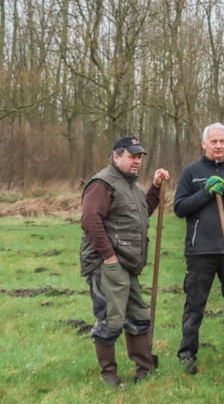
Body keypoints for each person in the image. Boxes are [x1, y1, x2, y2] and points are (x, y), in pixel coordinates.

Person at [80, 136, 169, 387]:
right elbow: (90, 221)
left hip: (127, 263)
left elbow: (141, 214)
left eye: (140, 157)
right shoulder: (103, 183)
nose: (137, 161)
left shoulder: (130, 186)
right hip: (107, 263)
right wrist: (108, 256)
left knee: (139, 316)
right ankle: (109, 375)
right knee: (111, 319)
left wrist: (154, 188)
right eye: (132, 156)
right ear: (116, 156)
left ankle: (145, 369)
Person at [173, 122, 224, 374]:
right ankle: (187, 352)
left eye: (222, 141)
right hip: (201, 251)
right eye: (214, 141)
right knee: (195, 303)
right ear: (204, 144)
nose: (218, 145)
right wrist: (206, 192)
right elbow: (180, 207)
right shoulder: (191, 172)